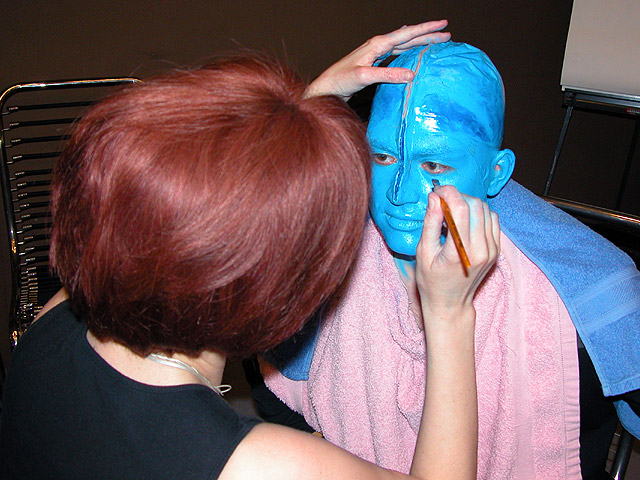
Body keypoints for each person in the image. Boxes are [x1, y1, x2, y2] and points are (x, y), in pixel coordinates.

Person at [0, 22, 501, 480]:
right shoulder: (250, 463)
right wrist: (449, 314)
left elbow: (194, 197)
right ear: (273, 305)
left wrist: (307, 109)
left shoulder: (54, 320)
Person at [262, 41, 640, 480]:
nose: (398, 193)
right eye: (382, 157)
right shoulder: (323, 266)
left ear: (497, 172)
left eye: (435, 166)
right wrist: (312, 106)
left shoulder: (575, 310)